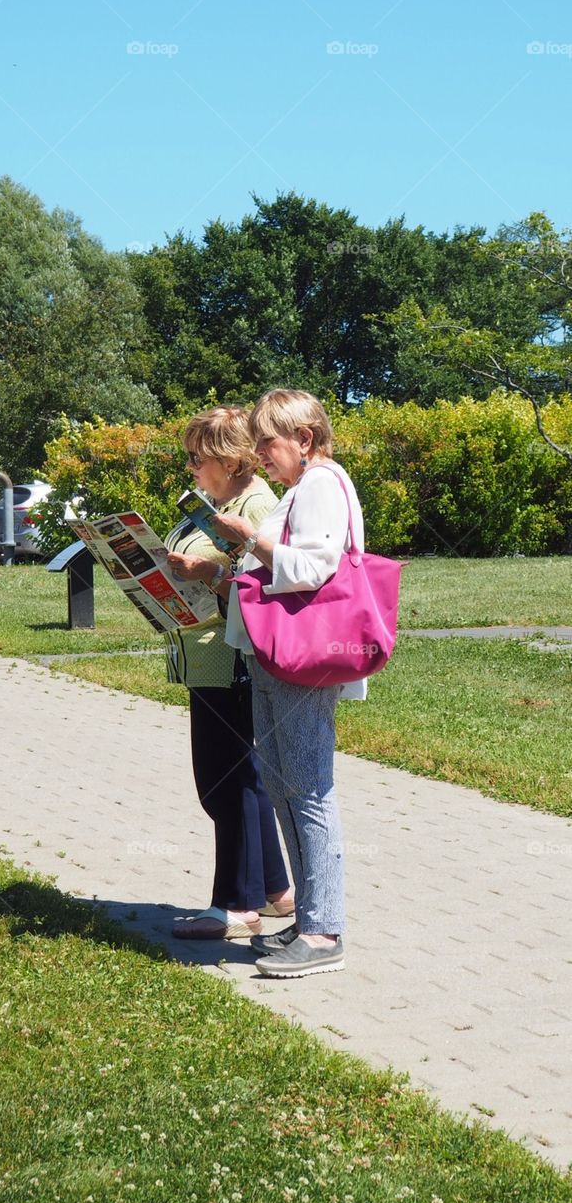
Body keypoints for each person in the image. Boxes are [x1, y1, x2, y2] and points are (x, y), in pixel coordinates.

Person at [213, 389, 366, 978]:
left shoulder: (323, 484)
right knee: (283, 785)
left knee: (308, 790)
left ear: (305, 439)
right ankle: (307, 919)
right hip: (278, 656)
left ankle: (325, 932)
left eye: (267, 442)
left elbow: (315, 567)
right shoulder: (307, 486)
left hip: (304, 659)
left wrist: (247, 538)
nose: (259, 453)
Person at [164, 406, 293, 941]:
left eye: (198, 457)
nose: (191, 467)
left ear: (229, 458)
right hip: (206, 655)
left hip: (230, 659)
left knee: (225, 783)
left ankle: (238, 905)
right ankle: (275, 889)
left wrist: (207, 572)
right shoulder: (220, 503)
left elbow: (260, 588)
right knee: (239, 776)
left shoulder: (256, 505)